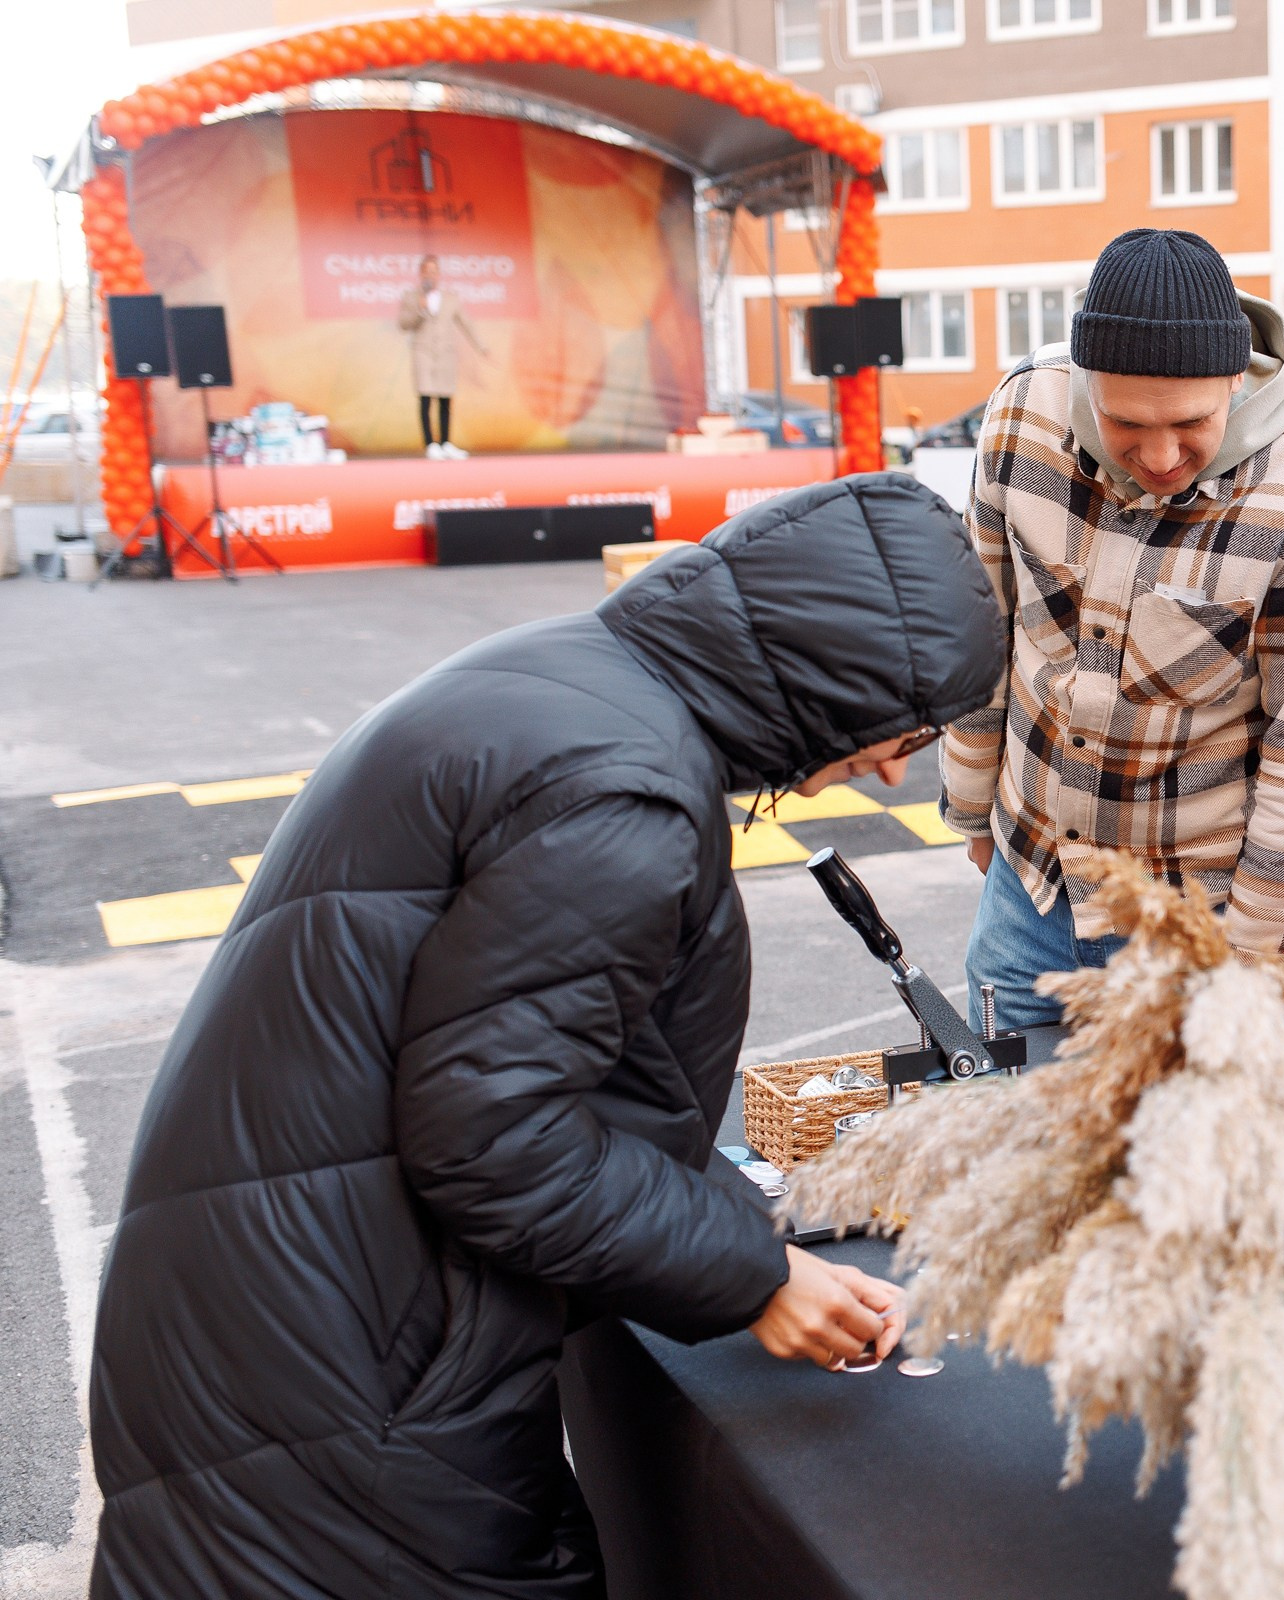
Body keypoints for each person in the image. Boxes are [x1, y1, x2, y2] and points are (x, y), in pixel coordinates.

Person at [87, 476, 1007, 1599]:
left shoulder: (571, 679)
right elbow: (494, 1142)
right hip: (347, 1380)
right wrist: (755, 1272)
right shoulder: (621, 797)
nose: (890, 771)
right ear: (833, 679)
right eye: (894, 732)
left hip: (268, 1306)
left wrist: (743, 1219)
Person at [941, 228, 1284, 1027]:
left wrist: (1253, 967)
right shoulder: (1020, 412)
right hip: (1028, 885)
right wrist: (972, 813)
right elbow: (979, 631)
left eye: (1190, 422)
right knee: (1009, 1142)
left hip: (1197, 926)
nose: (1161, 454)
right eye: (1125, 425)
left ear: (1236, 380)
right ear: (1083, 384)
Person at [398, 252, 486, 459]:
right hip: (423, 351)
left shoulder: (451, 298)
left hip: (445, 353)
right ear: (420, 274)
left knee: (446, 397)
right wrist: (420, 308)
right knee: (426, 396)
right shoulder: (411, 297)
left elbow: (466, 323)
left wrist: (481, 346)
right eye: (427, 271)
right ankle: (431, 444)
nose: (431, 275)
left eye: (434, 271)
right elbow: (403, 324)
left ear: (439, 274)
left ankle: (446, 442)